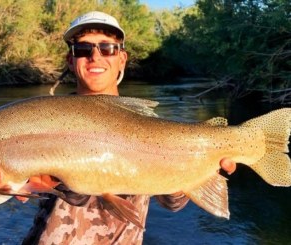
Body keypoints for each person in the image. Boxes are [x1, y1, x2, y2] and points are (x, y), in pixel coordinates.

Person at [23, 11, 236, 245]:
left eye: (107, 48)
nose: (95, 56)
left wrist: (199, 168)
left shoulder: (147, 124)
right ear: (71, 61)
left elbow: (172, 203)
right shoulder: (47, 119)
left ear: (122, 59)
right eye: (83, 49)